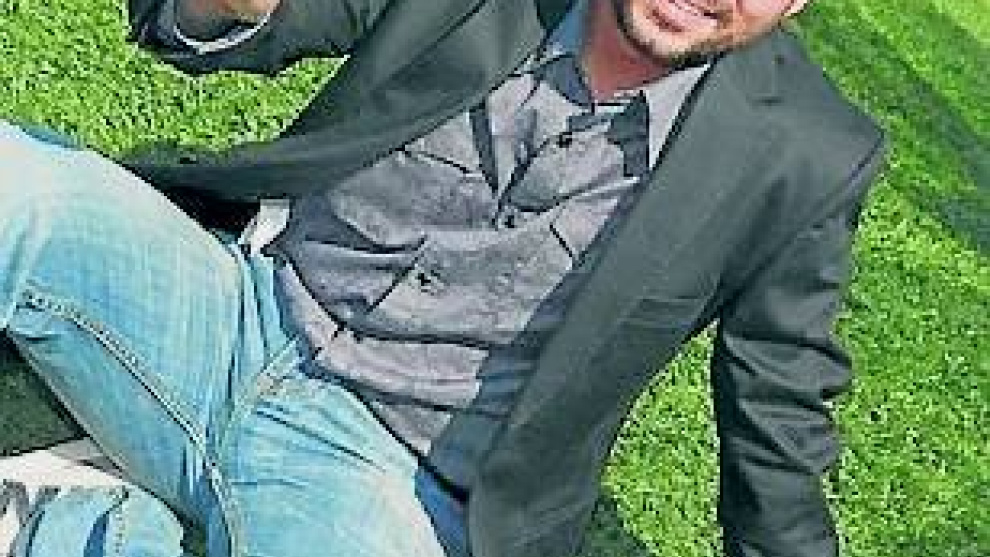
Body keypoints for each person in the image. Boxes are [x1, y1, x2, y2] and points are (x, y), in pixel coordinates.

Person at [0, 0, 887, 555]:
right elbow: (241, 20)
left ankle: (83, 526)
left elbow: (778, 411)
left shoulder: (806, 155)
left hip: (390, 476)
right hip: (231, 312)